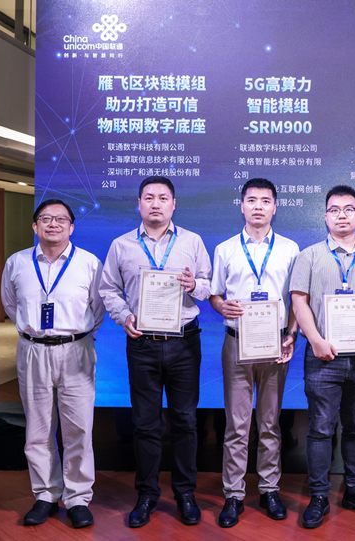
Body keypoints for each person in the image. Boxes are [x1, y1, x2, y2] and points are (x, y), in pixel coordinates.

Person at [99, 176, 211, 527]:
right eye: (149, 197)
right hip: (142, 343)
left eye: (163, 198)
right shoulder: (121, 245)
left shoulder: (192, 241)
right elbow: (108, 289)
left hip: (184, 342)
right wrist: (123, 316)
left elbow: (209, 285)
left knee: (185, 421)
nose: (156, 203)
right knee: (145, 424)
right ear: (139, 204)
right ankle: (147, 494)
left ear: (174, 204)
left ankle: (185, 493)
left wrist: (195, 285)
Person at [290, 184, 355, 529]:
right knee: (320, 429)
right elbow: (299, 301)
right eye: (334, 210)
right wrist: (315, 340)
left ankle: (354, 490)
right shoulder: (309, 256)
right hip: (323, 357)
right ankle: (319, 496)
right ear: (325, 216)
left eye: (348, 209)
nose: (342, 215)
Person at [1, 199, 104, 529]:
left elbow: (98, 309)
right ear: (35, 226)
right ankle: (45, 494)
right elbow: (10, 304)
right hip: (33, 351)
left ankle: (77, 498)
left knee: (79, 427)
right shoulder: (17, 263)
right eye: (45, 219)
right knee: (38, 428)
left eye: (61, 219)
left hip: (76, 349)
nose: (53, 224)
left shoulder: (89, 263)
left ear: (72, 227)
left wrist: (74, 335)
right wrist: (35, 331)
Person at [209, 178, 300, 527]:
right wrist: (221, 306)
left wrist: (291, 334)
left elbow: (297, 298)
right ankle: (233, 494)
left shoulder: (290, 249)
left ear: (275, 207)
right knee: (237, 424)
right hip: (237, 341)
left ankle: (269, 488)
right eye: (251, 200)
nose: (258, 206)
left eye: (265, 201)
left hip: (275, 343)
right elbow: (215, 294)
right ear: (242, 206)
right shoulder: (225, 249)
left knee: (270, 422)